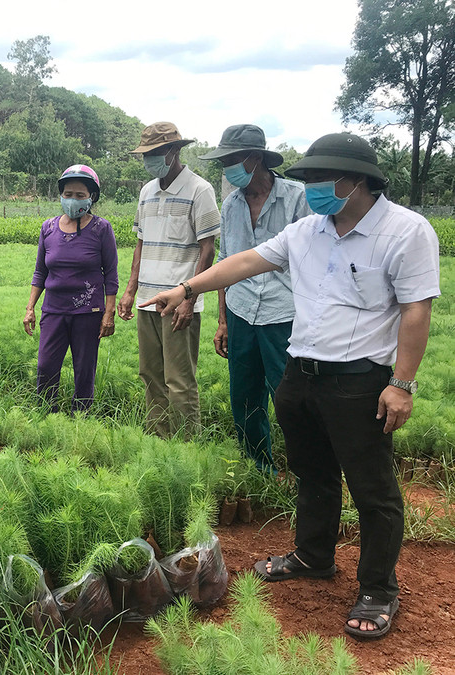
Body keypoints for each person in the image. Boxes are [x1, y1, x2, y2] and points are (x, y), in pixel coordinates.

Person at [147, 132, 440, 640]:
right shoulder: (308, 229)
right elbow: (245, 261)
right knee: (312, 472)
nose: (312, 187)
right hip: (301, 372)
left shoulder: (406, 231)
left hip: (360, 380)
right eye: (307, 178)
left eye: (321, 178)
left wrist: (402, 383)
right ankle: (313, 555)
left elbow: (416, 310)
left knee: (373, 490)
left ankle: (378, 587)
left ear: (357, 180)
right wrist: (188, 288)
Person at [198, 124, 310, 472]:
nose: (226, 168)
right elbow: (226, 264)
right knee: (244, 397)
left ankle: (305, 471)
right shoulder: (230, 204)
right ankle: (259, 466)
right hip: (241, 311)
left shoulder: (297, 198)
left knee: (290, 398)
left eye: (232, 160)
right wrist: (222, 321)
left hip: (284, 314)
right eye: (223, 161)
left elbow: (315, 264)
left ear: (255, 159)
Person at [118, 122, 219, 438]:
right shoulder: (147, 191)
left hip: (177, 302)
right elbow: (140, 243)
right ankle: (161, 442)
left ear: (174, 152)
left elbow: (208, 248)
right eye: (145, 154)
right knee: (150, 374)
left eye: (155, 153)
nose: (148, 160)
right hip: (147, 299)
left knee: (179, 379)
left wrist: (189, 299)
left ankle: (187, 446)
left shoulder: (200, 190)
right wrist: (130, 290)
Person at [23, 165, 118, 413]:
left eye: (79, 195)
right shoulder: (49, 228)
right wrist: (30, 308)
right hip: (53, 311)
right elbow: (40, 272)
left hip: (88, 312)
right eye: (67, 194)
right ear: (60, 195)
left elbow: (111, 274)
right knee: (45, 367)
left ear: (91, 197)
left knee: (84, 370)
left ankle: (80, 419)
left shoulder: (101, 229)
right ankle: (46, 416)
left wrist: (109, 313)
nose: (72, 200)